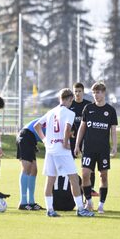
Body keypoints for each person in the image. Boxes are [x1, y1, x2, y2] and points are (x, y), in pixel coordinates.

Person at [34, 88, 94, 218]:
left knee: (50, 180)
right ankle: (80, 209)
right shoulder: (68, 113)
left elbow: (37, 126)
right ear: (69, 99)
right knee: (73, 179)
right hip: (62, 151)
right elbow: (67, 128)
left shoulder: (51, 112)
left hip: (50, 150)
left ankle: (50, 210)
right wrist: (66, 142)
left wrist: (44, 140)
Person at [75, 82, 118, 214]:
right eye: (94, 93)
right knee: (85, 174)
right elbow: (82, 128)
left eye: (98, 92)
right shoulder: (88, 108)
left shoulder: (110, 111)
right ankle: (89, 201)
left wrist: (115, 146)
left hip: (103, 149)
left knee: (103, 176)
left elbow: (113, 131)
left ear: (104, 93)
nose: (96, 95)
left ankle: (101, 204)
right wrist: (77, 144)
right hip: (88, 148)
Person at [69, 82, 98, 196]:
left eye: (79, 91)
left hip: (86, 140)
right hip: (72, 140)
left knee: (88, 165)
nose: (77, 93)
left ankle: (90, 189)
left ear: (83, 92)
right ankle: (69, 186)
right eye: (75, 91)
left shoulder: (88, 105)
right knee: (69, 164)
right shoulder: (70, 105)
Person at [16, 118, 45, 210]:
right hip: (25, 135)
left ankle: (31, 202)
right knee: (26, 168)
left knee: (34, 170)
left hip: (31, 139)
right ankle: (23, 202)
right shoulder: (53, 119)